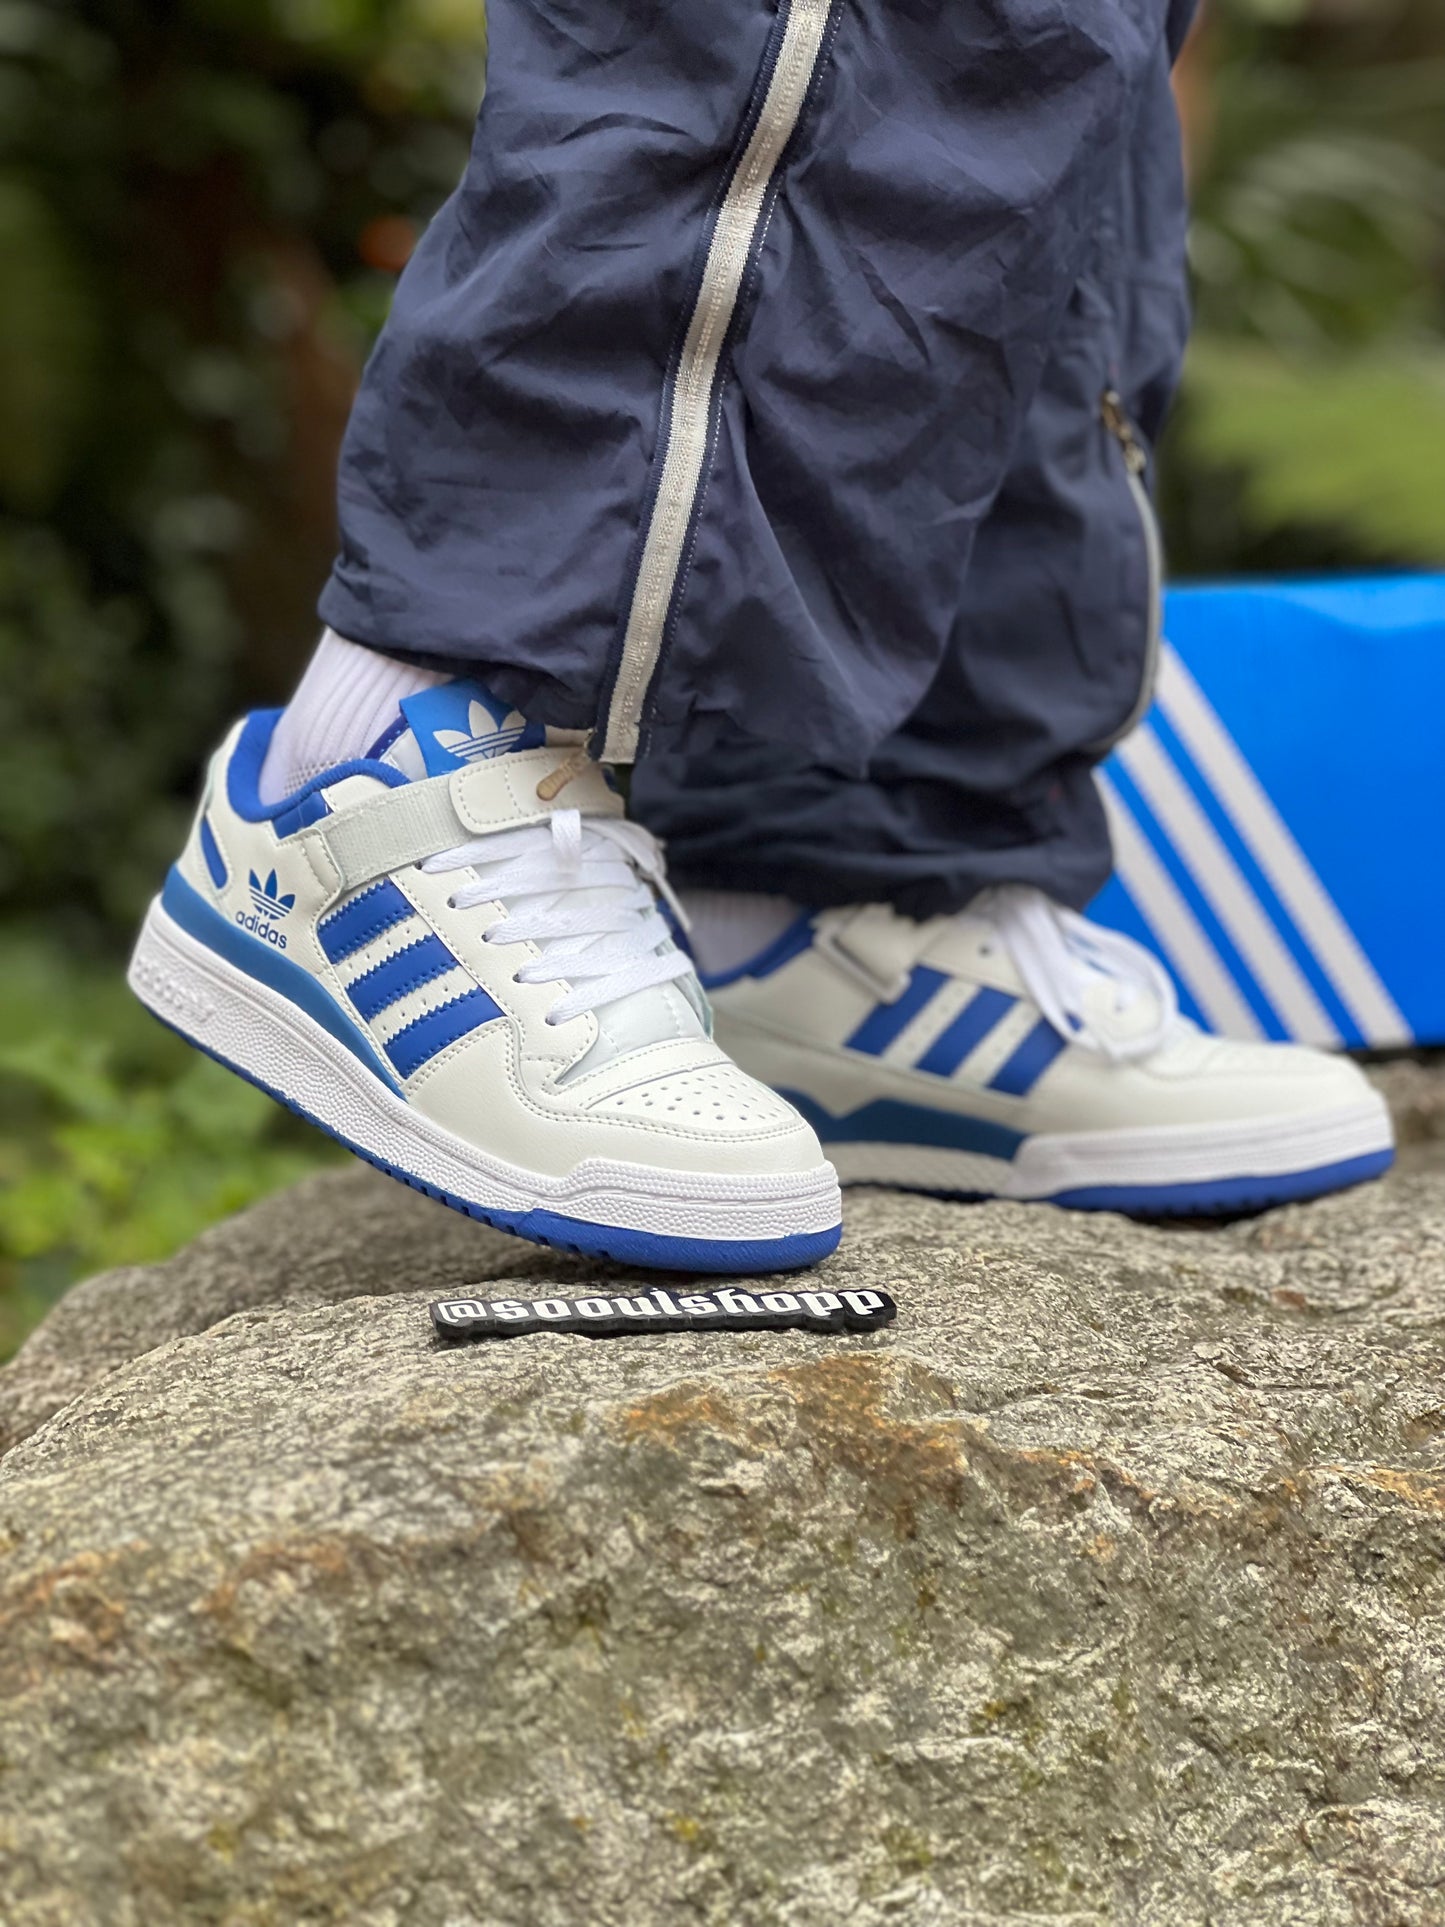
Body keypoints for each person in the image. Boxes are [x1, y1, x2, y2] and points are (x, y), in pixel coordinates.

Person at [128, 0, 1394, 1274]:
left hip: (887, 822)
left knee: (1065, 70)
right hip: (427, 710)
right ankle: (377, 751)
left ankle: (832, 875)